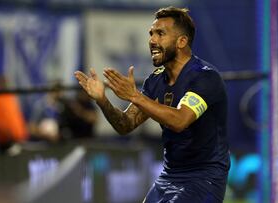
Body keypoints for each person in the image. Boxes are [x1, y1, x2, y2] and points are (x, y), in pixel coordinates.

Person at [75, 6, 230, 203]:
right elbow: (125, 124)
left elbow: (180, 120)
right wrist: (102, 100)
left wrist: (134, 96)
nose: (152, 41)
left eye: (160, 34)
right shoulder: (156, 81)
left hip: (203, 177)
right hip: (169, 176)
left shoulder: (205, 77)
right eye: (151, 34)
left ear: (182, 41)